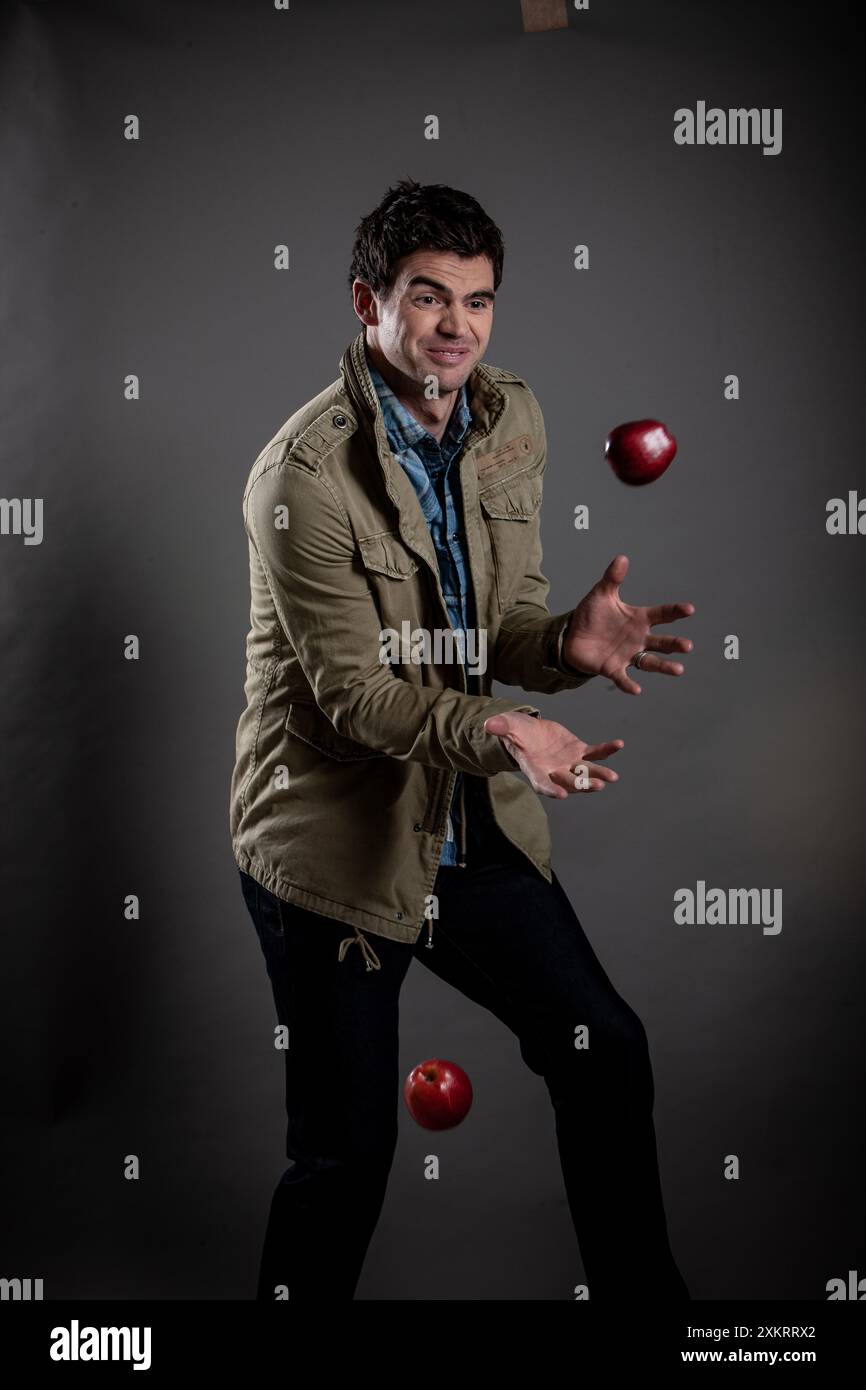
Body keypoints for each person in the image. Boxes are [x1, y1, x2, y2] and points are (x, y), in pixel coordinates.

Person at [229, 178, 695, 1301]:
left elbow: (492, 629)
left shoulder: (509, 420)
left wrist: (560, 649)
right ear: (365, 302)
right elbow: (357, 698)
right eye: (426, 298)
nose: (455, 327)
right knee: (347, 1157)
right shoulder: (298, 477)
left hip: (464, 814)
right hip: (335, 850)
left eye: (477, 302)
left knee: (603, 1051)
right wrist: (503, 725)